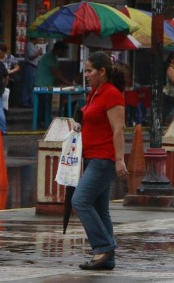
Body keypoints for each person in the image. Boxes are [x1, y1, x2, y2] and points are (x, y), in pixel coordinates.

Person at [72, 51, 128, 271]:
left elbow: (118, 130)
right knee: (100, 209)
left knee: (80, 201)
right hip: (92, 156)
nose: (86, 75)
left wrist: (119, 160)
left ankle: (104, 246)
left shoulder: (112, 94)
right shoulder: (95, 93)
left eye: (89, 71)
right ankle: (108, 259)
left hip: (105, 159)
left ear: (102, 71)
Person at [34, 41, 72, 127]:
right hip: (42, 84)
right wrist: (67, 82)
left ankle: (44, 120)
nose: (63, 53)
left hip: (48, 84)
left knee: (46, 104)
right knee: (43, 105)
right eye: (63, 51)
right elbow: (56, 72)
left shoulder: (54, 57)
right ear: (58, 50)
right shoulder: (49, 56)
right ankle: (41, 122)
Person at [0, 43, 21, 131]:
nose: (0, 54)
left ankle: (2, 124)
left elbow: (17, 67)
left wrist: (10, 71)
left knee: (4, 104)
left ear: (5, 52)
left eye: (1, 53)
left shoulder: (10, 57)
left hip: (7, 82)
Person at [21, 37, 44, 107]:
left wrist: (39, 54)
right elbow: (31, 57)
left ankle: (31, 101)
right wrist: (38, 53)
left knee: (32, 84)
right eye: (38, 39)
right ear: (34, 39)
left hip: (34, 67)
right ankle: (25, 102)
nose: (39, 40)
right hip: (29, 66)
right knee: (28, 85)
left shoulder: (34, 46)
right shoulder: (29, 45)